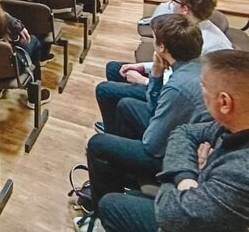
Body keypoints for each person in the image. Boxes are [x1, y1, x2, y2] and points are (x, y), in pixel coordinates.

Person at [97, 49, 249, 232]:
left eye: (203, 85)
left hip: (184, 220)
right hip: (197, 201)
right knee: (126, 106)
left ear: (225, 103)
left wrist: (191, 176)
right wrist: (187, 176)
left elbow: (170, 214)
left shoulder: (240, 171)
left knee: (110, 204)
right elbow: (184, 132)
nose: (199, 88)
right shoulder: (232, 124)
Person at [82, 15, 210, 230]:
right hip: (182, 145)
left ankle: (99, 213)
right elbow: (154, 110)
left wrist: (156, 78)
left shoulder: (178, 86)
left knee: (97, 144)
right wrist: (157, 74)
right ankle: (123, 173)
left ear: (162, 47)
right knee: (126, 106)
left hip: (177, 160)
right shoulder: (197, 67)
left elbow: (151, 144)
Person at [95, 0, 233, 134]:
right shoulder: (190, 29)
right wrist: (142, 67)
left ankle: (114, 134)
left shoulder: (207, 44)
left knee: (104, 90)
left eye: (173, 1)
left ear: (185, 9)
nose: (170, 5)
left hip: (176, 97)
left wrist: (144, 81)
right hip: (167, 80)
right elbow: (172, 63)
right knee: (114, 68)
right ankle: (117, 126)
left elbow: (184, 86)